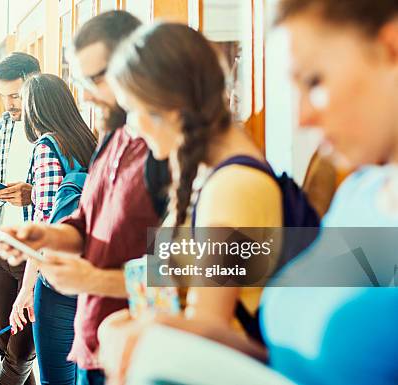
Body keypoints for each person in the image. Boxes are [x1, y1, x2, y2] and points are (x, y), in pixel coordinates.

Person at [106, 1, 398, 385]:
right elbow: (297, 362)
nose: (300, 118)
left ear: (392, 47)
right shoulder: (357, 195)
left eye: (314, 81)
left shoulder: (234, 187)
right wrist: (160, 335)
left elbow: (212, 312)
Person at [0, 11, 170, 385]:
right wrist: (45, 237)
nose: (86, 94)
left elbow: (198, 269)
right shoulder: (111, 140)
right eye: (80, 81)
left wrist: (94, 280)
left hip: (129, 340)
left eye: (96, 79)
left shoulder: (173, 156)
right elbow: (93, 219)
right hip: (101, 335)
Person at [6, 73, 97, 385]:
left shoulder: (47, 146)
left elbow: (44, 222)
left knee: (56, 380)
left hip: (57, 279)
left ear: (36, 110)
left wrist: (26, 289)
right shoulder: (89, 140)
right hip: (90, 271)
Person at [0, 52, 40, 385]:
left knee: (20, 355)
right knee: (7, 349)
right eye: (4, 96)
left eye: (16, 96)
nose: (9, 104)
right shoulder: (0, 127)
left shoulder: (51, 131)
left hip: (34, 255)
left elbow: (73, 194)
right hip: (0, 251)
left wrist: (32, 194)